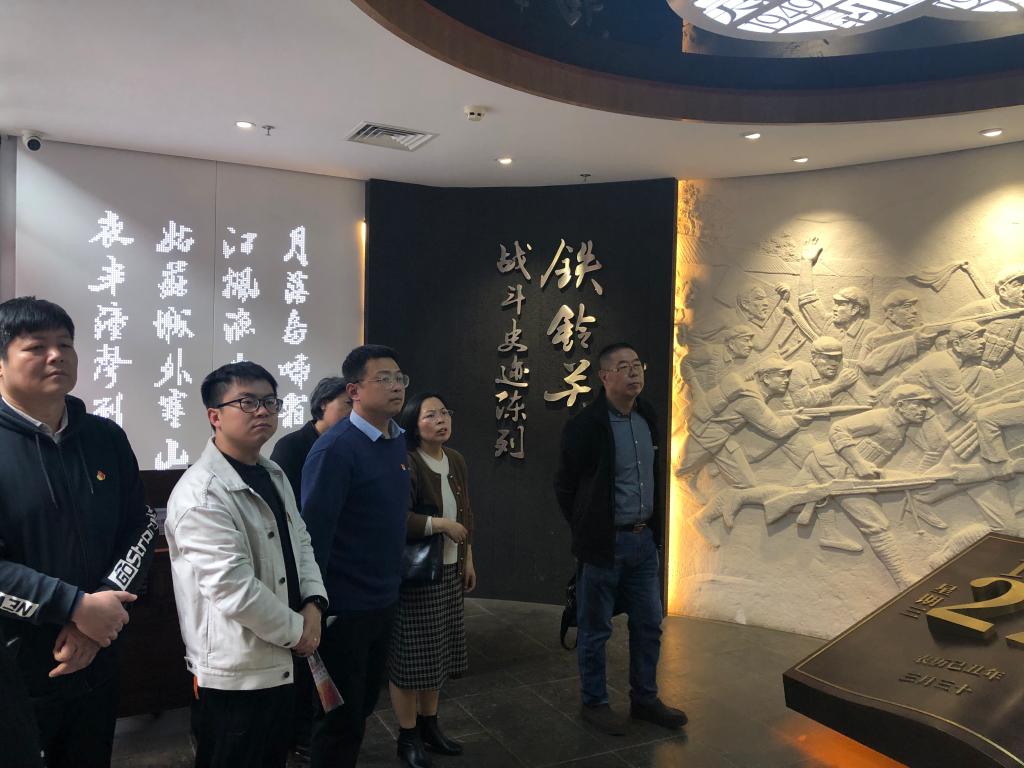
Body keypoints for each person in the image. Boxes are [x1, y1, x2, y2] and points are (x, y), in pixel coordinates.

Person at [0, 296, 157, 768]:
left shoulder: (105, 437)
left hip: (99, 654)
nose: (56, 356)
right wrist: (74, 606)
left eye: (65, 344)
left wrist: (100, 610)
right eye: (36, 347)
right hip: (14, 670)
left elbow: (141, 526)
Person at [165, 362, 327, 768]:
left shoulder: (272, 473)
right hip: (237, 670)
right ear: (214, 416)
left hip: (283, 651)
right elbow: (232, 588)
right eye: (248, 402)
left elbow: (301, 541)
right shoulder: (201, 493)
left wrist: (313, 603)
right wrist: (299, 632)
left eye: (270, 402)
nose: (263, 411)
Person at [554, 342, 687, 735]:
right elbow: (565, 486)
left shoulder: (647, 415)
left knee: (649, 624)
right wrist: (587, 529)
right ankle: (594, 703)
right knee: (595, 629)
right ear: (604, 376)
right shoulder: (586, 425)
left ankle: (645, 699)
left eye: (638, 365)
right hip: (604, 546)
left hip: (644, 543)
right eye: (623, 366)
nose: (634, 372)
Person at [301, 345, 411, 768]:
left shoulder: (396, 441)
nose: (396, 386)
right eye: (383, 378)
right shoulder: (336, 449)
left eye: (399, 378)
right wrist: (316, 604)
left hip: (384, 597)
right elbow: (313, 535)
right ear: (354, 391)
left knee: (363, 704)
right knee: (338, 717)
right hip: (344, 607)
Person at [389, 392, 476, 768]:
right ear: (413, 423)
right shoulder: (405, 461)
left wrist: (468, 558)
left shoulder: (455, 459)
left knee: (438, 654)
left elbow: (466, 513)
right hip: (418, 574)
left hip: (450, 570)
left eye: (445, 412)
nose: (442, 420)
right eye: (431, 415)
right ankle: (407, 736)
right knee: (411, 659)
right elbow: (398, 518)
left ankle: (430, 726)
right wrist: (440, 524)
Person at [270, 375, 351, 761]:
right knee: (304, 654)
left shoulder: (348, 445)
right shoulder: (292, 447)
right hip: (301, 562)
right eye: (345, 404)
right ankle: (299, 732)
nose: (351, 412)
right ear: (321, 406)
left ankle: (318, 725)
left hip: (336, 561)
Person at [271, 376, 352, 503]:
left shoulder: (351, 445)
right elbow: (281, 499)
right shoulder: (290, 445)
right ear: (323, 404)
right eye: (349, 403)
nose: (355, 411)